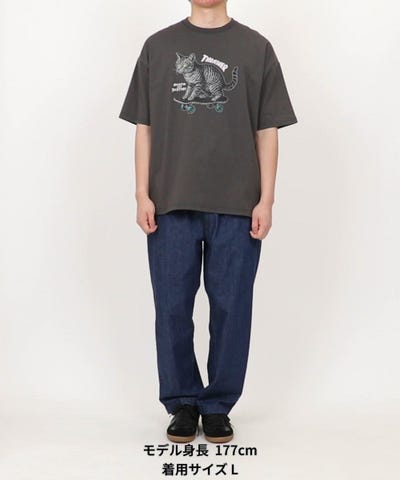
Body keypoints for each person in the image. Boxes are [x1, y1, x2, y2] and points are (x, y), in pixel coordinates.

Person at [119, 0, 298, 444]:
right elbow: (144, 126)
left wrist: (267, 199)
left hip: (238, 203)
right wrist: (141, 193)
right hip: (170, 200)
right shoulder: (158, 47)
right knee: (172, 308)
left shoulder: (256, 48)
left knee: (233, 309)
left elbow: (267, 129)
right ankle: (182, 402)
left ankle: (217, 405)